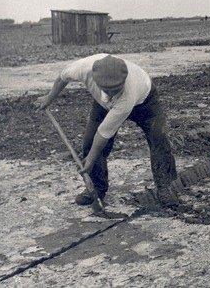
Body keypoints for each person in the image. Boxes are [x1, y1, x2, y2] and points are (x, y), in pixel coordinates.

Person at [36, 54, 180, 207]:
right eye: (107, 90)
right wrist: (49, 98)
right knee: (89, 143)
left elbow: (104, 133)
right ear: (96, 80)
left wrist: (89, 160)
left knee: (159, 138)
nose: (112, 94)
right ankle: (96, 189)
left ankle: (165, 187)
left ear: (123, 82)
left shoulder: (127, 94)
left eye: (116, 89)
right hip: (102, 104)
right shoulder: (83, 68)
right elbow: (61, 78)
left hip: (145, 102)